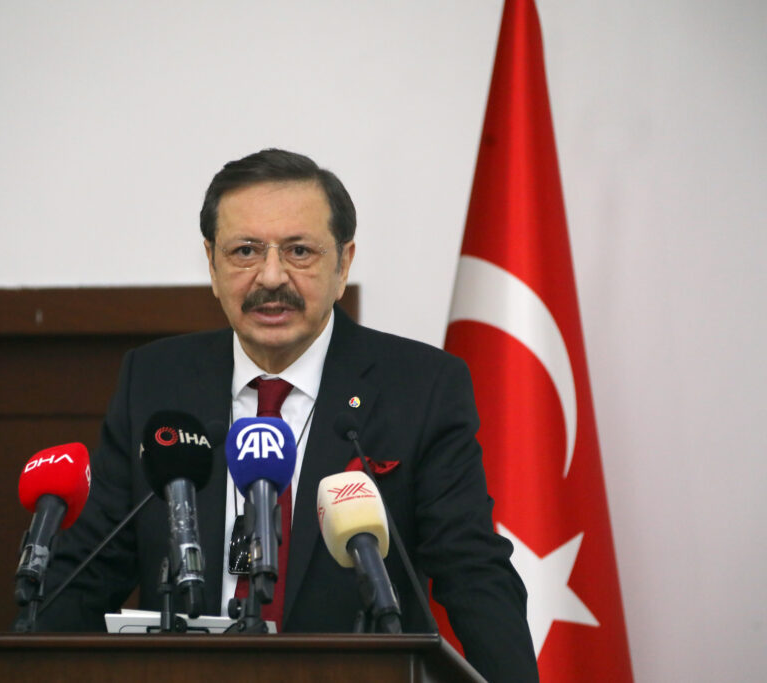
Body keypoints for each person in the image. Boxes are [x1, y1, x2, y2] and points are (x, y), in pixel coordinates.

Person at [33, 149, 538, 681]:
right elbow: (86, 574)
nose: (271, 277)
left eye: (299, 251)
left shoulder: (419, 386)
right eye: (245, 251)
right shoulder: (156, 381)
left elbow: (472, 571)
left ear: (343, 264)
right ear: (212, 264)